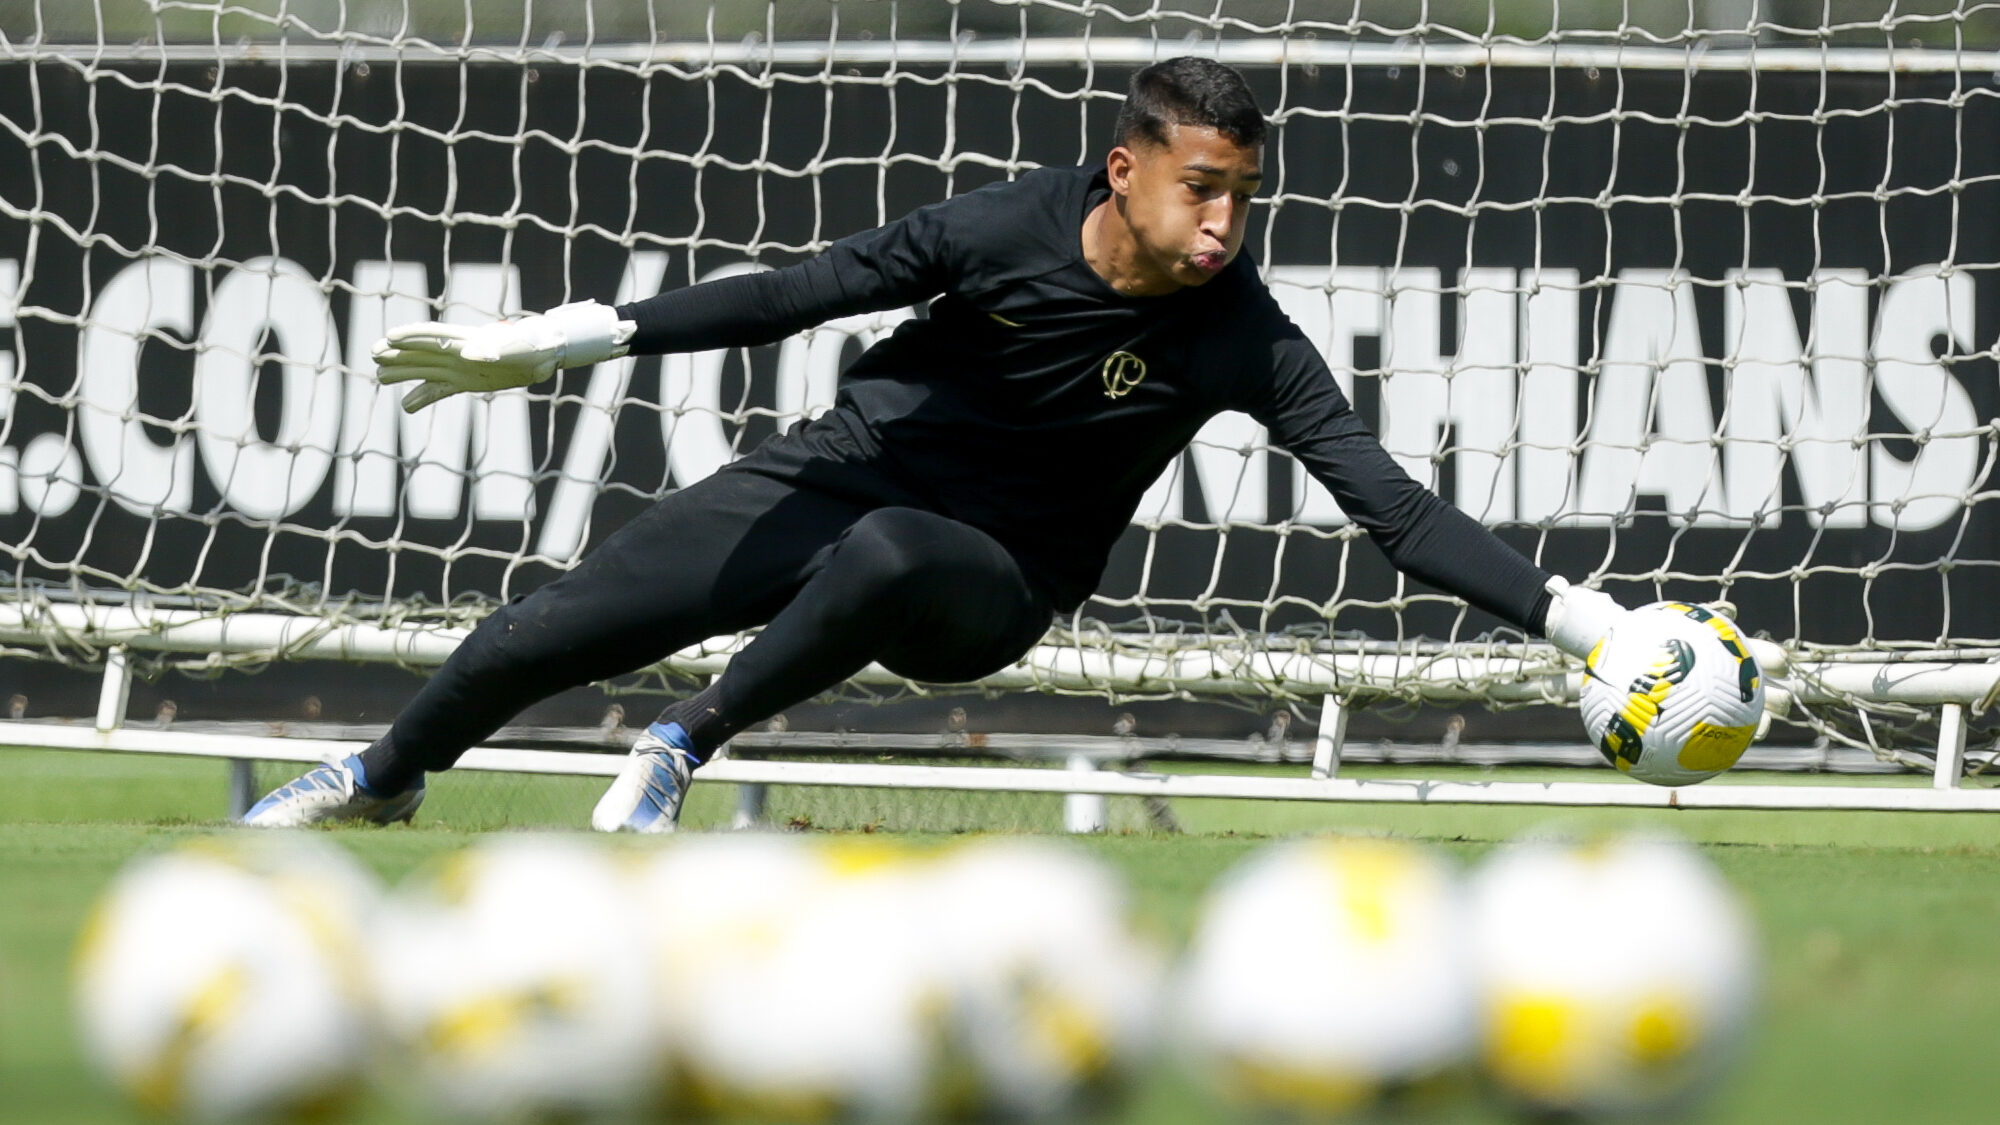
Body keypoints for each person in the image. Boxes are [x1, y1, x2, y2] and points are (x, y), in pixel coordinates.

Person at [243, 56, 1626, 831]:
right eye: (1203, 189)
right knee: (536, 631)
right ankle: (383, 777)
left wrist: (1581, 622)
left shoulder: (1240, 333)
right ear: (1125, 171)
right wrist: (576, 337)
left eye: (1243, 198)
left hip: (989, 581)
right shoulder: (997, 230)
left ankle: (681, 739)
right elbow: (795, 293)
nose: (1224, 223)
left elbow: (1391, 509)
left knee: (891, 550)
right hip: (837, 467)